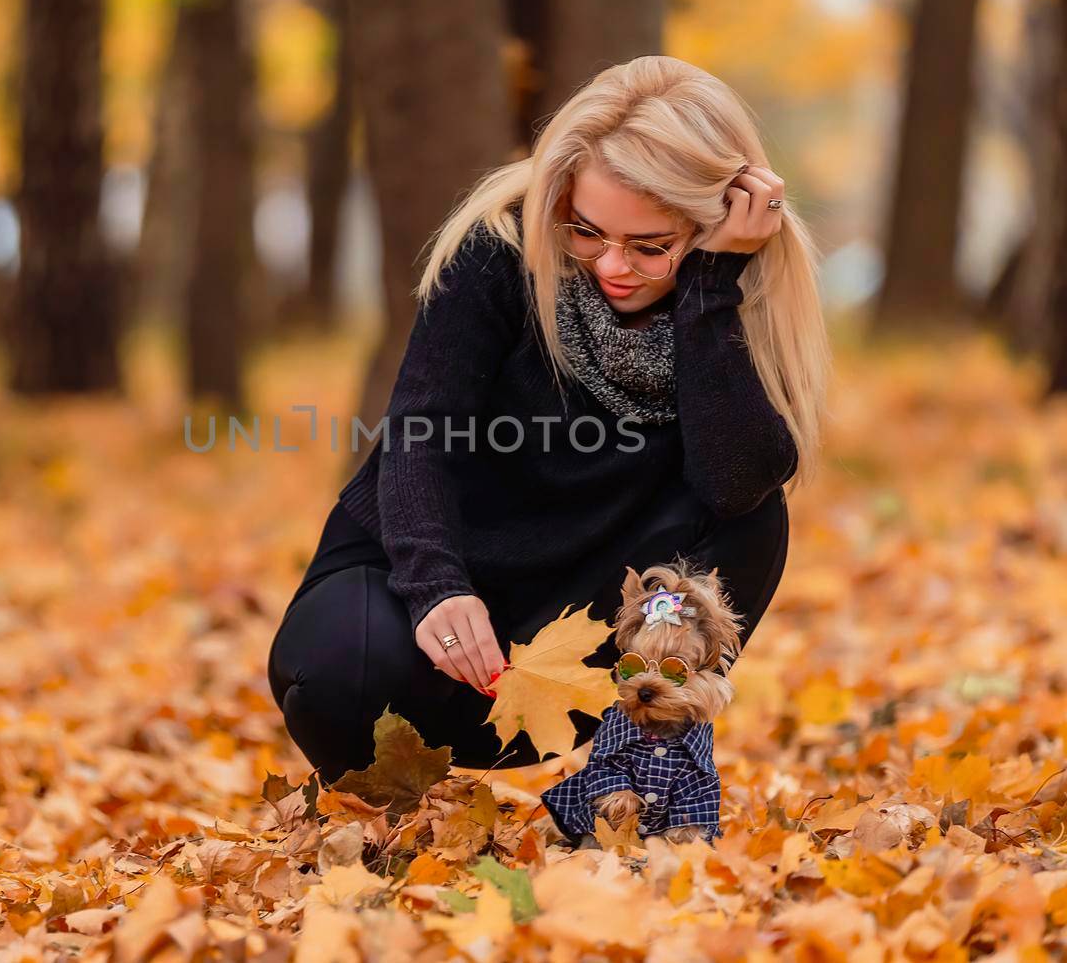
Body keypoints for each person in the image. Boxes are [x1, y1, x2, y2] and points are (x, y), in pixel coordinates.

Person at [267, 55, 831, 784]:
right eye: (587, 231)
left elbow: (731, 486)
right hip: (431, 582)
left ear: (723, 221)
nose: (612, 265)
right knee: (336, 674)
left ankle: (636, 772)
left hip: (585, 631)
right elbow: (419, 432)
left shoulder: (739, 295)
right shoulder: (500, 251)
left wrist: (707, 289)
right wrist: (437, 584)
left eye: (651, 245)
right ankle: (387, 790)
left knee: (754, 509)